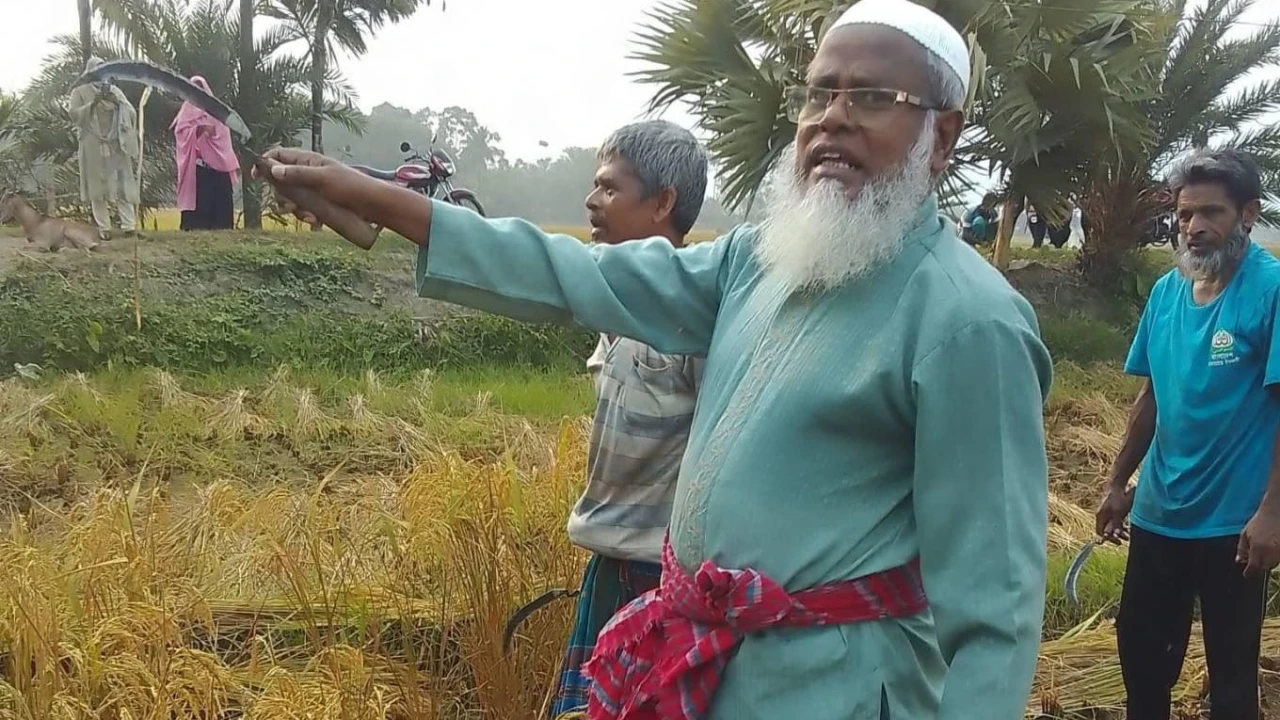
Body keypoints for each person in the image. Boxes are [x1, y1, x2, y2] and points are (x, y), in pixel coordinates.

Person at [256, 0, 1054, 717]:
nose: (832, 119)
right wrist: (390, 203)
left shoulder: (970, 324)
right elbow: (585, 275)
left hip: (837, 689)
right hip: (704, 671)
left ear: (941, 136)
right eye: (820, 93)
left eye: (873, 98)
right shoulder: (759, 261)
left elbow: (997, 612)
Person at [1096, 147, 1280, 720]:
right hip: (1160, 514)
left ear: (1247, 215)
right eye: (1184, 215)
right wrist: (1117, 482)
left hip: (1234, 525)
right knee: (1143, 664)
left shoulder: (1270, 288)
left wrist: (1273, 512)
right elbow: (1151, 397)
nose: (1194, 228)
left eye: (1212, 214)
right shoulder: (1166, 292)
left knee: (1230, 679)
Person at [548, 119, 708, 719]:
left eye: (610, 189)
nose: (591, 201)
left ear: (663, 203)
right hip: (612, 566)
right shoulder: (614, 303)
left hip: (663, 580)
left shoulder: (695, 321)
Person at [68, 56, 141, 240]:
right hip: (92, 145)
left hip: (116, 144)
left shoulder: (115, 90)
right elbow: (73, 115)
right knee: (97, 189)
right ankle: (104, 228)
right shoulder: (79, 91)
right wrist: (93, 103)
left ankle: (129, 226)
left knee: (123, 185)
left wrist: (116, 102)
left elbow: (131, 112)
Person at [172, 75, 239, 231]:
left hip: (218, 170)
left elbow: (223, 137)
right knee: (198, 207)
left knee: (220, 209)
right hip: (197, 170)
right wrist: (198, 130)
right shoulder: (186, 112)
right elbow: (181, 134)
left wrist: (212, 133)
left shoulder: (216, 111)